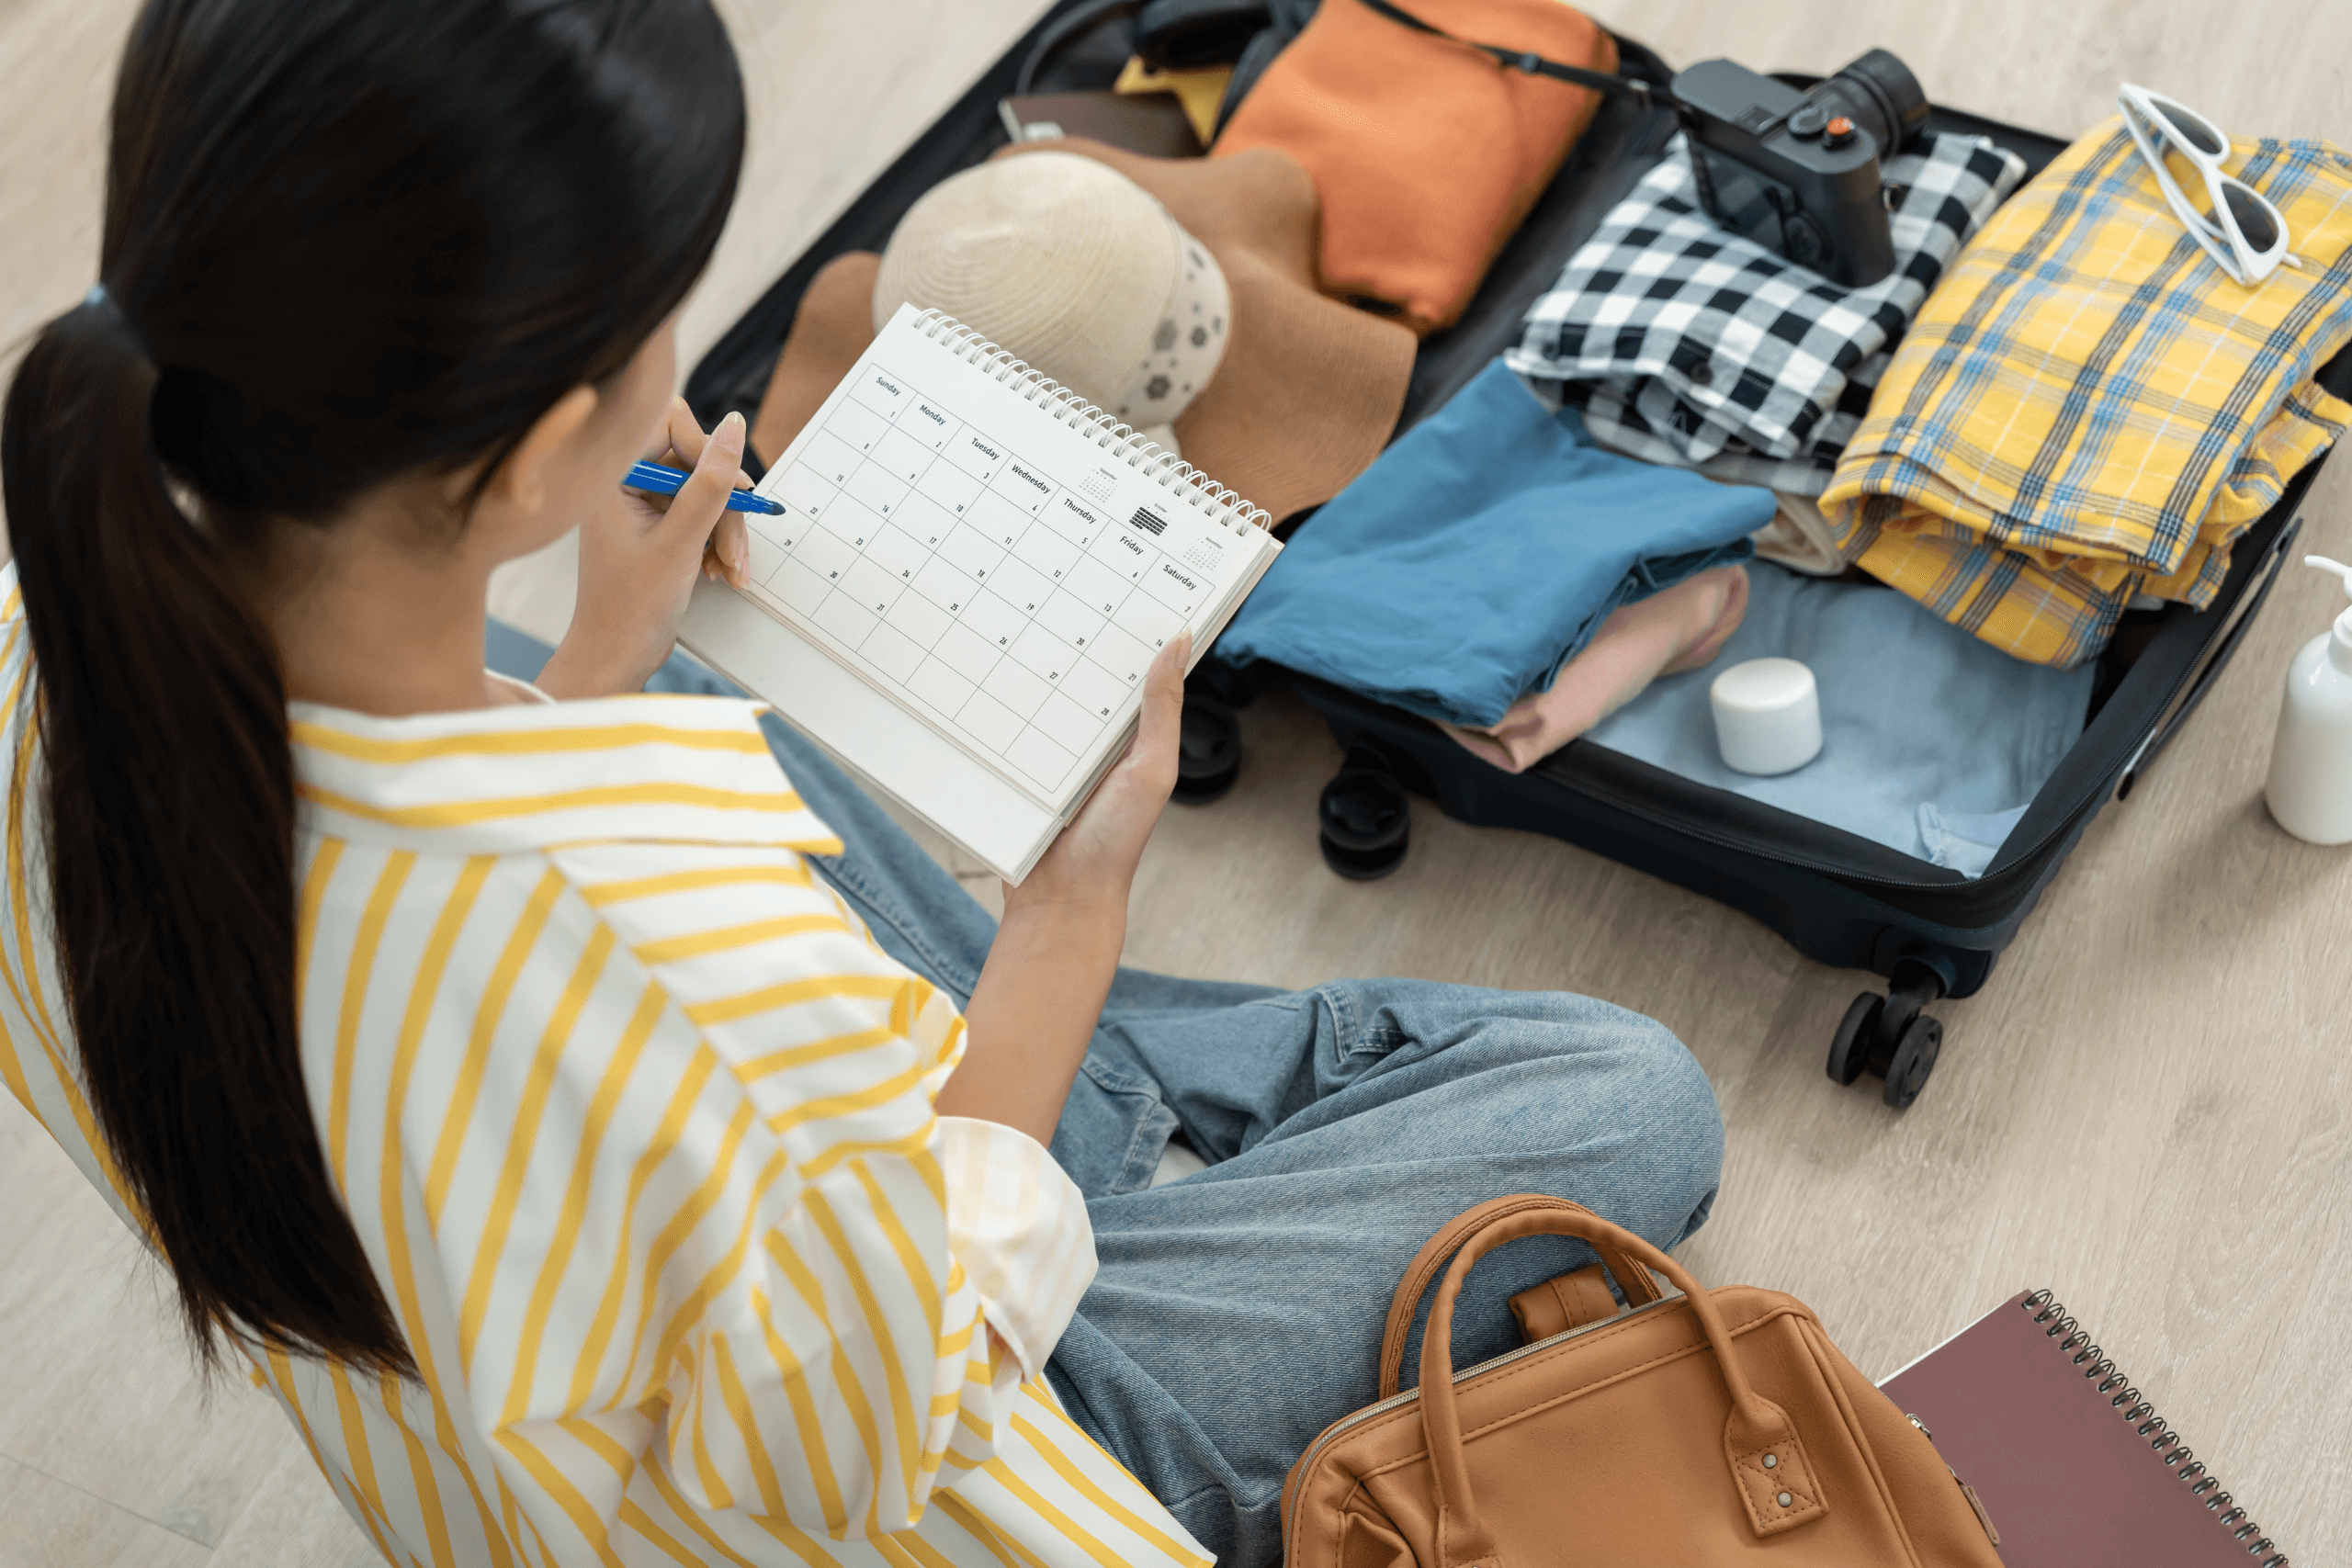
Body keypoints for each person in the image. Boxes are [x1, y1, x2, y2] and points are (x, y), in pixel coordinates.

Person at [0, 2, 1724, 1564]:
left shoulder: (51, 620)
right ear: (534, 449)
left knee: (689, 679)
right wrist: (1066, 917)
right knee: (1624, 1092)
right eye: (661, 329)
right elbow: (868, 1424)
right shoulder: (660, 941)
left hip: (541, 1456)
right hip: (944, 1468)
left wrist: (600, 663)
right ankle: (1096, 1124)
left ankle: (1090, 1123)